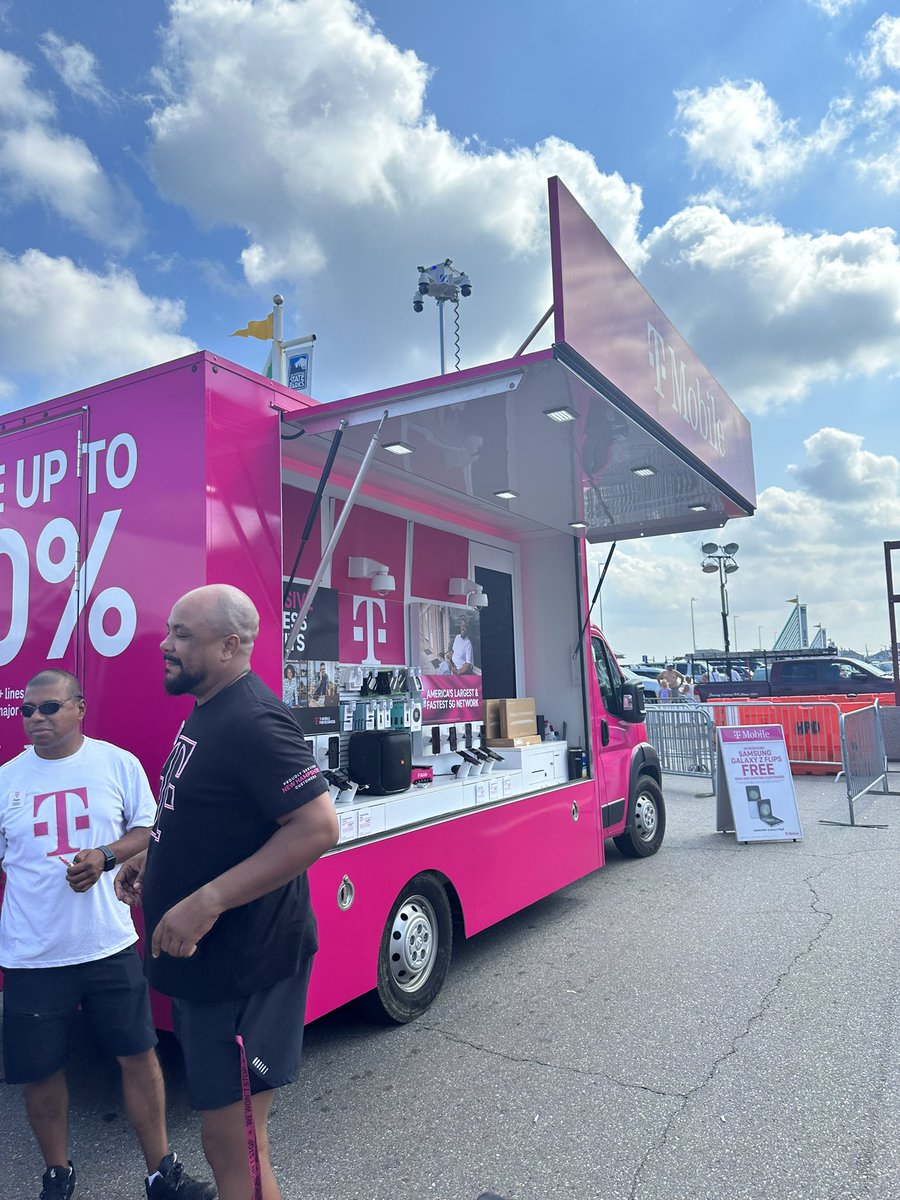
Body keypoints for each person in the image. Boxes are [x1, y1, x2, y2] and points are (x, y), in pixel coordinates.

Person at [115, 585, 339, 1200]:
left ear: (231, 646)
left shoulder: (254, 720)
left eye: (183, 634)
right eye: (171, 630)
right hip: (209, 974)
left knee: (234, 1141)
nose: (165, 644)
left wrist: (206, 901)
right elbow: (209, 816)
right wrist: (149, 857)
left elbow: (318, 826)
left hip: (246, 968)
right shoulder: (210, 709)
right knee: (225, 1137)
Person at [0, 669, 215, 1200]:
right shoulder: (6, 779)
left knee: (139, 1055)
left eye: (48, 708)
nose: (35, 720)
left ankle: (161, 1173)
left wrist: (106, 856)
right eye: (25, 711)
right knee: (41, 1072)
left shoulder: (116, 763)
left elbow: (148, 829)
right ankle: (57, 1173)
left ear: (78, 708)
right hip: (32, 955)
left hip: (108, 945)